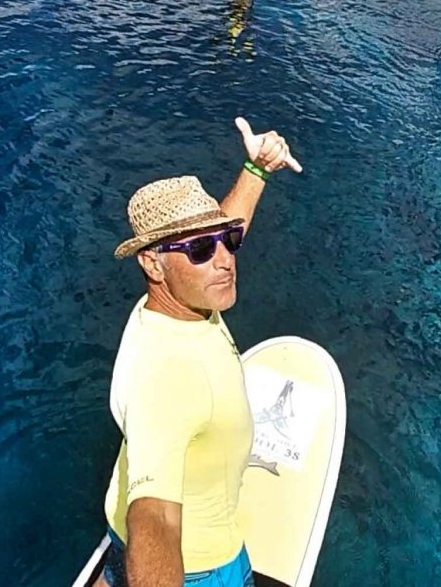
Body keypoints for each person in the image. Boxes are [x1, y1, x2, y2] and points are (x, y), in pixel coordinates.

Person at [101, 117, 301, 587]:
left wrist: (256, 171)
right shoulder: (170, 375)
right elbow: (155, 520)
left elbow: (214, 239)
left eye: (226, 240)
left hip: (117, 521)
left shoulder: (173, 304)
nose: (226, 258)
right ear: (152, 262)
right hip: (200, 568)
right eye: (199, 249)